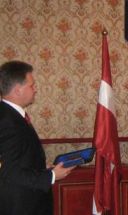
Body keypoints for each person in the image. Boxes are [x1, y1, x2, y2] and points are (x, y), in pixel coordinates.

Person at [0, 61, 75, 215]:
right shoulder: (8, 121)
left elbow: (17, 159)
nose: (35, 89)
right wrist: (52, 175)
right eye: (31, 85)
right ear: (17, 90)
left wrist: (41, 167)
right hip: (21, 206)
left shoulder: (10, 115)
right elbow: (9, 172)